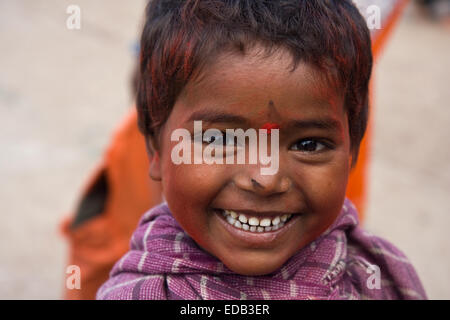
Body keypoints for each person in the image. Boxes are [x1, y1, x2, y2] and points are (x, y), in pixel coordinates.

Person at [95, 0, 426, 300]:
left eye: (308, 144)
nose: (266, 178)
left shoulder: (378, 278)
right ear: (156, 147)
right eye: (220, 141)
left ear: (352, 150)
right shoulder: (143, 293)